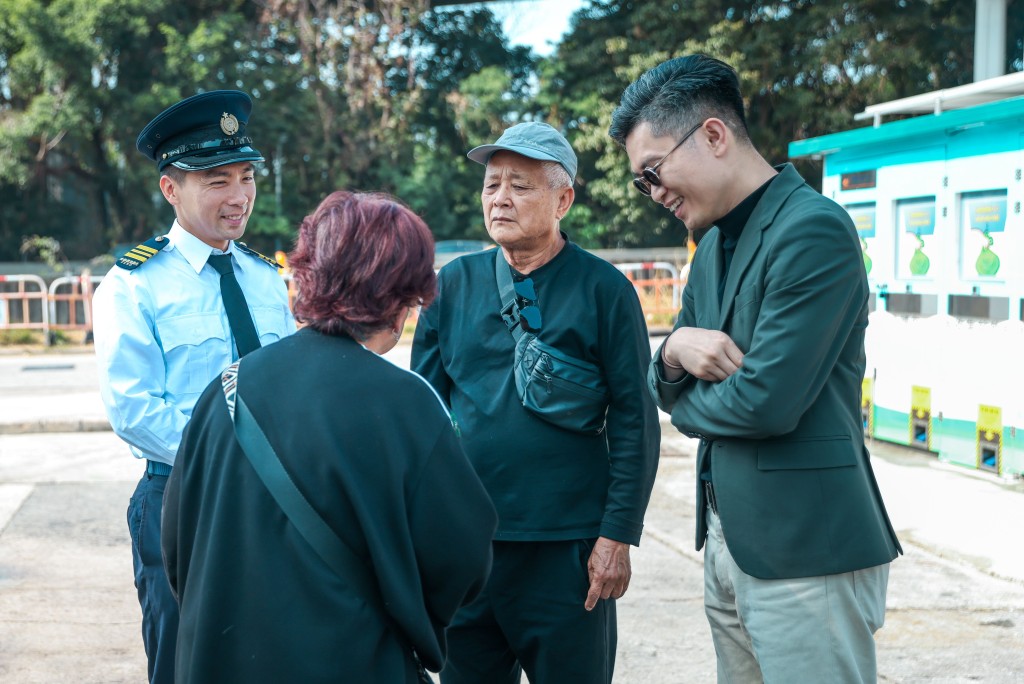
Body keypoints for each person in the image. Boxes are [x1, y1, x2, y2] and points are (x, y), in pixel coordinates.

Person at [609, 55, 903, 683]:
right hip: (727, 540)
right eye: (643, 182)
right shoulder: (711, 245)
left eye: (653, 172)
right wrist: (672, 351)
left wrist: (682, 400)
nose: (654, 193)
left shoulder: (814, 230)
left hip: (805, 549)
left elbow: (766, 402)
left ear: (713, 135)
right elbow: (663, 376)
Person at [161, 190, 497, 683]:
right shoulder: (407, 406)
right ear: (404, 295)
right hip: (355, 659)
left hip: (221, 660)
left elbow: (177, 543)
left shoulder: (227, 389)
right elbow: (462, 555)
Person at [412, 121, 661, 684]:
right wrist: (426, 534)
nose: (499, 198)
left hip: (568, 552)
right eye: (492, 185)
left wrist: (617, 536)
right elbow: (423, 418)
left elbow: (634, 422)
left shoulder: (605, 290)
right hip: (471, 549)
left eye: (520, 186)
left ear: (563, 199)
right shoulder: (450, 287)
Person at [92, 90, 296, 684]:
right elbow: (133, 410)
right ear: (170, 189)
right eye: (215, 180)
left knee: (274, 658)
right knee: (187, 663)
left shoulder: (265, 279)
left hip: (275, 502)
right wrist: (232, 459)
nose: (239, 197)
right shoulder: (133, 287)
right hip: (183, 500)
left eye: (246, 176)